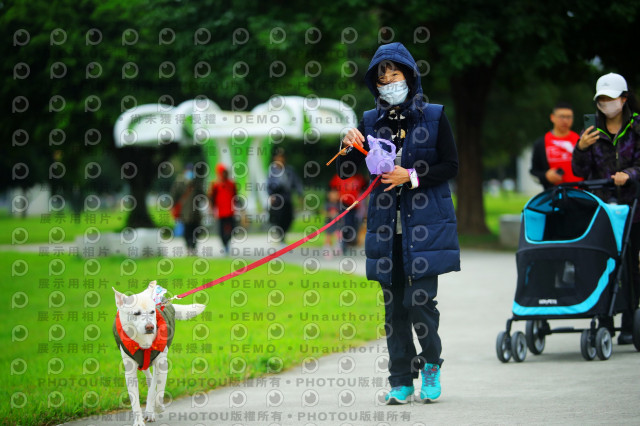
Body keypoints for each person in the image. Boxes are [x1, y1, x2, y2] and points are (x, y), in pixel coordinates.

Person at [336, 42, 460, 404]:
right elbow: (349, 172)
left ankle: (432, 364)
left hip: (426, 228)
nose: (388, 80)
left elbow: (451, 166)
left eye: (394, 72)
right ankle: (401, 380)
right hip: (386, 228)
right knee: (394, 308)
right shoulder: (371, 120)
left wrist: (412, 176)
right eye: (381, 76)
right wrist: (347, 145)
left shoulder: (435, 116)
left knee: (420, 301)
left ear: (410, 75)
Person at [572, 72, 640, 345]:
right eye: (601, 99)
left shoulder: (637, 127)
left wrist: (631, 175)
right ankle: (604, 320)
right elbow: (580, 171)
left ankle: (629, 321)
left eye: (611, 98)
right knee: (602, 263)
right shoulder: (591, 132)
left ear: (623, 99)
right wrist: (580, 148)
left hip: (633, 207)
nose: (606, 103)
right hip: (602, 209)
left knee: (630, 265)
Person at [530, 102, 583, 190]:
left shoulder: (580, 140)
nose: (565, 120)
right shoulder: (541, 143)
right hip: (554, 195)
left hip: (580, 193)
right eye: (561, 117)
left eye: (569, 117)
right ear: (552, 117)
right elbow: (533, 172)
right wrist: (545, 176)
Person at [267, 148, 303, 243]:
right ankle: (279, 235)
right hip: (277, 198)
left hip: (287, 198)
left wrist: (300, 195)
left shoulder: (290, 170)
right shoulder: (272, 170)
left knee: (288, 217)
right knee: (277, 218)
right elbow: (269, 184)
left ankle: (283, 234)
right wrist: (270, 195)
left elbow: (297, 183)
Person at [329, 172, 367, 254]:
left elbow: (364, 190)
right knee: (344, 223)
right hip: (342, 204)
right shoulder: (339, 177)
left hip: (355, 206)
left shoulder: (358, 178)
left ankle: (351, 241)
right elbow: (333, 190)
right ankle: (343, 243)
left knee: (353, 223)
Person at [170, 164, 203, 256]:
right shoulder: (179, 183)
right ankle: (188, 247)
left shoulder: (197, 183)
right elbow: (174, 196)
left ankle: (193, 247)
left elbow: (202, 195)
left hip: (196, 212)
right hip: (184, 212)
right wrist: (172, 207)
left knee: (196, 230)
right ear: (185, 171)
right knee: (187, 230)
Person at [208, 163, 237, 256]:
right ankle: (225, 245)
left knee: (231, 229)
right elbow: (211, 198)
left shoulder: (231, 184)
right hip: (220, 212)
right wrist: (211, 209)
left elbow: (235, 196)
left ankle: (227, 242)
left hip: (230, 211)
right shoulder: (215, 185)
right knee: (221, 231)